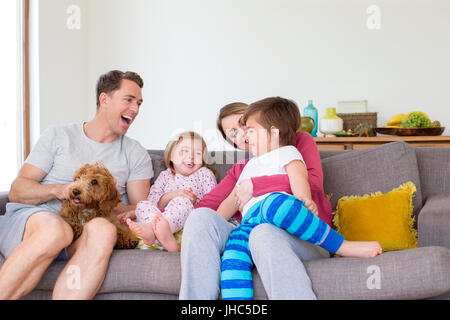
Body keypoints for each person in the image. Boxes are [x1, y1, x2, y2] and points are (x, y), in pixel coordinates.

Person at [0, 70, 153, 300]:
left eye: (139, 103)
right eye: (129, 100)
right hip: (35, 222)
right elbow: (17, 191)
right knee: (56, 230)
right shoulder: (59, 135)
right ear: (104, 99)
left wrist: (105, 200)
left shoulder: (135, 153)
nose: (136, 110)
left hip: (79, 234)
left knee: (105, 229)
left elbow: (141, 209)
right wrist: (59, 189)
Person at [218, 97, 382, 300]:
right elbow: (232, 199)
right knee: (232, 258)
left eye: (251, 130)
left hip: (276, 214)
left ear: (274, 133)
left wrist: (304, 198)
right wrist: (217, 220)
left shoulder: (288, 152)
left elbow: (299, 177)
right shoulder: (248, 166)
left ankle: (342, 245)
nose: (245, 136)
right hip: (251, 222)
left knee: (276, 205)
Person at [180, 101, 332, 300]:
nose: (241, 135)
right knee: (200, 218)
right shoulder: (245, 167)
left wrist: (255, 186)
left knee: (263, 233)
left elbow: (311, 185)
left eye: (244, 125)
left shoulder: (296, 142)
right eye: (232, 134)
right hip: (248, 232)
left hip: (301, 232)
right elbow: (211, 207)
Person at [124, 131, 217, 252]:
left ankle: (159, 233)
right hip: (159, 215)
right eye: (185, 150)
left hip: (188, 218)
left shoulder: (204, 173)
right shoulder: (166, 175)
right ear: (171, 156)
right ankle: (155, 232)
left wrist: (194, 202)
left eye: (198, 153)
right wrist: (172, 195)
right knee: (142, 205)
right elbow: (152, 200)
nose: (192, 156)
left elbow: (214, 202)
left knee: (182, 201)